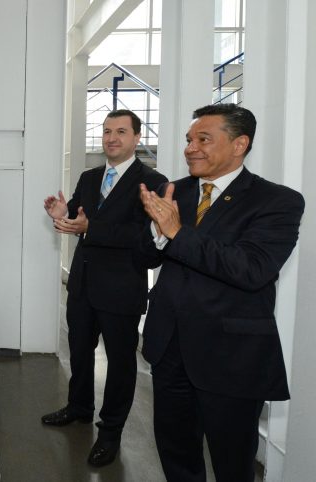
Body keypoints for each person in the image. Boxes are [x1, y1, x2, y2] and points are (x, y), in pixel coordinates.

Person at [138, 103, 305, 482]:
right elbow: (142, 258)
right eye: (188, 140)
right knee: (176, 454)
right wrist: (156, 234)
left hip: (231, 358)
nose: (190, 148)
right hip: (169, 349)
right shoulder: (172, 192)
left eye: (203, 139)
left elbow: (252, 270)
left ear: (239, 144)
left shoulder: (277, 201)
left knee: (233, 464)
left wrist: (176, 232)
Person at [41, 110, 167, 467]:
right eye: (107, 131)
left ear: (137, 138)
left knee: (121, 364)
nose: (112, 138)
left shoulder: (153, 182)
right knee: (79, 352)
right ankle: (79, 407)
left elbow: (145, 237)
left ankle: (110, 432)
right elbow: (77, 219)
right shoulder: (90, 176)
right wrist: (62, 215)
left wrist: (90, 228)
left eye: (121, 131)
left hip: (121, 288)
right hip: (83, 284)